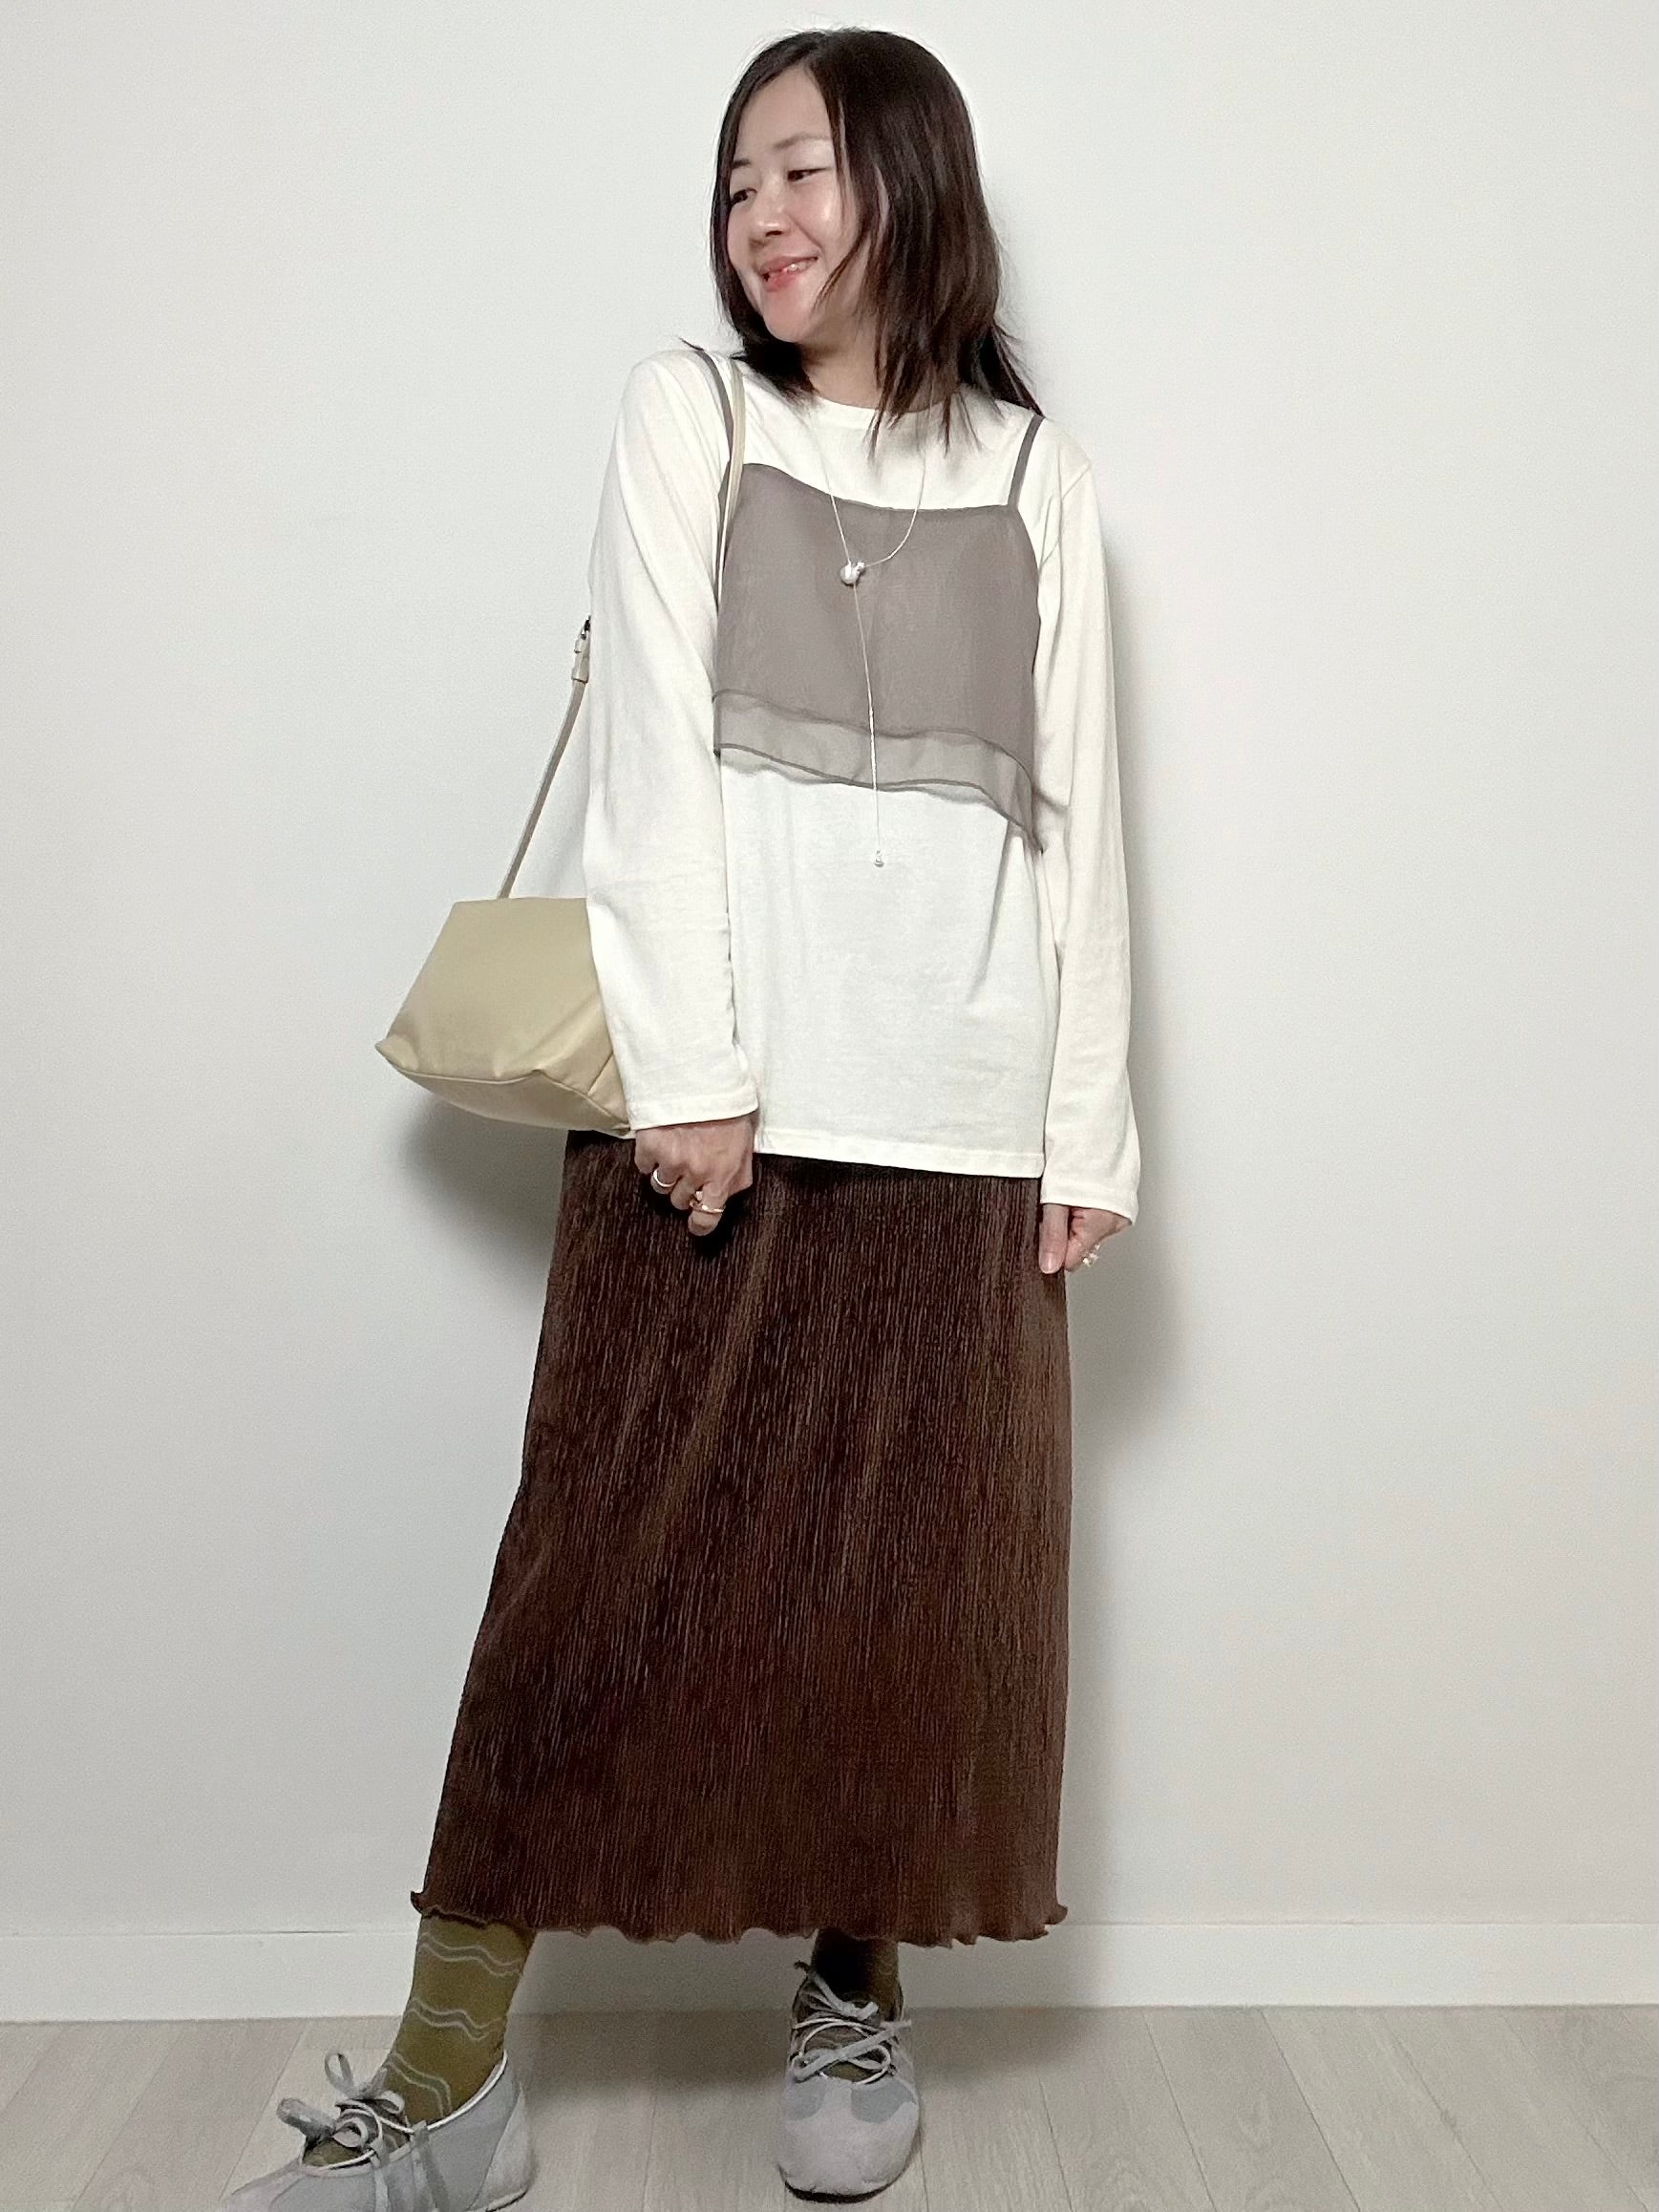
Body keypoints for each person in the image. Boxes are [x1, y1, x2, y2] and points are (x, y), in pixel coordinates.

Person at [220, 24, 1139, 2211]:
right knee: (594, 1590)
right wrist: (697, 1078)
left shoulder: (1034, 476)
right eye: (737, 183)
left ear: (912, 181)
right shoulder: (689, 416)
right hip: (703, 1118)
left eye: (802, 169)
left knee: (895, 1601)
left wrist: (1086, 1128)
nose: (762, 218)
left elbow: (1084, 821)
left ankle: (848, 1993)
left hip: (963, 1128)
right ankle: (448, 2085)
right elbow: (650, 758)